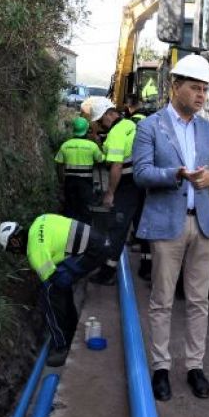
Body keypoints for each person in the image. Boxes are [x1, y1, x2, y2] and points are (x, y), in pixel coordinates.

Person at [132, 54, 209, 401]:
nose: (201, 95)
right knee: (161, 300)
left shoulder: (208, 129)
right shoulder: (151, 127)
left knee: (198, 300)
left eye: (205, 90)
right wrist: (175, 175)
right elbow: (142, 173)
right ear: (175, 87)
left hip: (202, 225)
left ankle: (194, 366)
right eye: (195, 88)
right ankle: (161, 367)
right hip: (166, 225)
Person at [0, 213, 112, 367]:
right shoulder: (39, 221)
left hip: (93, 252)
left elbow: (53, 282)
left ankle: (62, 345)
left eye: (11, 249)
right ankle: (71, 328)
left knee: (50, 292)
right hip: (100, 241)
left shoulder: (35, 252)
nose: (15, 253)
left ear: (15, 242)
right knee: (61, 282)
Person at [86, 97, 141, 286]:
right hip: (141, 183)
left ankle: (108, 271)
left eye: (102, 120)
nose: (102, 125)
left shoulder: (117, 132)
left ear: (110, 114)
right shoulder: (129, 124)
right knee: (140, 224)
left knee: (117, 226)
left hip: (127, 184)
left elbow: (116, 165)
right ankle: (147, 268)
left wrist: (110, 193)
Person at [124, 92, 152, 279]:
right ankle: (147, 265)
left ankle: (143, 264)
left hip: (132, 176)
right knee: (145, 218)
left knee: (132, 216)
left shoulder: (129, 124)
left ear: (128, 105)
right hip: (150, 176)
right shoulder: (152, 120)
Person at [54, 117, 103, 222]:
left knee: (70, 208)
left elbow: (59, 165)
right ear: (87, 130)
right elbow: (101, 160)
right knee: (84, 208)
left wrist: (62, 182)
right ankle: (84, 232)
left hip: (69, 182)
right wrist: (98, 142)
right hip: (86, 183)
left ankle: (69, 231)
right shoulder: (92, 146)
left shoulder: (65, 145)